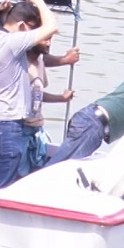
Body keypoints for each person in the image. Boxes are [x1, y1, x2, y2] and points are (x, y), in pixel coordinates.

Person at [0, 0, 58, 188]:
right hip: (8, 125)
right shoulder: (13, 42)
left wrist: (0, 12)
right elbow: (52, 27)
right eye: (30, 29)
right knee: (4, 185)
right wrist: (38, 0)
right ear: (22, 26)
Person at [18, 42, 78, 176]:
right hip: (21, 127)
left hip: (36, 126)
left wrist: (61, 98)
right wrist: (64, 60)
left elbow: (38, 94)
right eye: (45, 38)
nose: (49, 43)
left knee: (35, 168)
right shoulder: (19, 64)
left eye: (51, 38)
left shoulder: (38, 61)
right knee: (19, 172)